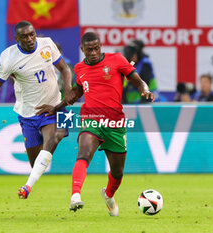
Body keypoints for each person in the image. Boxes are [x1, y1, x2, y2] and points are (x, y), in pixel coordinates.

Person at [36, 32, 154, 216]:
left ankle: (108, 195)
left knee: (117, 172)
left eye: (96, 48)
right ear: (82, 49)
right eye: (89, 49)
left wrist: (145, 90)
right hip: (91, 117)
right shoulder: (80, 68)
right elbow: (77, 93)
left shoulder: (116, 60)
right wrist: (56, 107)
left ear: (100, 46)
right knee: (84, 153)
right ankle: (75, 195)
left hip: (115, 122)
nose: (93, 52)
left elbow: (138, 81)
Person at [0, 21, 73, 199]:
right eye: (25, 36)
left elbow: (65, 69)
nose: (30, 39)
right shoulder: (9, 58)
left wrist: (68, 89)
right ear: (16, 38)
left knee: (53, 138)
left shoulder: (47, 44)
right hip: (28, 112)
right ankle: (39, 163)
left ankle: (27, 187)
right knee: (36, 163)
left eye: (32, 34)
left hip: (54, 106)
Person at [122, 39, 157, 103]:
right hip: (132, 103)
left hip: (148, 102)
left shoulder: (145, 64)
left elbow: (144, 84)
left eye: (132, 53)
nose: (130, 56)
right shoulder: (131, 64)